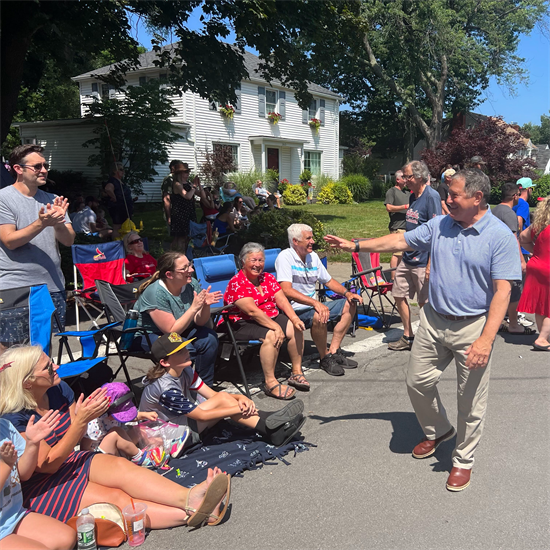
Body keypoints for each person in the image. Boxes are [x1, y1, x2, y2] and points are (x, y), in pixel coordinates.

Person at [325, 168, 521, 491]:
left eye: (454, 195)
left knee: (470, 401)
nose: (447, 200)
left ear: (477, 197)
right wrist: (355, 244)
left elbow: (503, 291)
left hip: (472, 327)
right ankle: (439, 429)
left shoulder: (499, 236)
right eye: (447, 194)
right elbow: (401, 238)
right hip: (433, 319)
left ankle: (463, 460)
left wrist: (486, 339)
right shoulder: (441, 225)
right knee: (416, 382)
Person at [0, 345, 231, 529]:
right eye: (48, 368)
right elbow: (46, 465)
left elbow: (78, 440)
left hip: (71, 460)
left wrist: (86, 424)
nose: (57, 366)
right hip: (41, 485)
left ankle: (189, 496)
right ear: (27, 382)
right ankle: (192, 514)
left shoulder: (58, 390)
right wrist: (81, 421)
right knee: (117, 498)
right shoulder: (16, 416)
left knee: (122, 468)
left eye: (51, 361)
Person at [140, 333, 306, 446]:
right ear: (165, 362)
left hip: (181, 423)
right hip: (167, 437)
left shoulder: (185, 370)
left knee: (224, 398)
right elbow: (202, 415)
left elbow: (213, 395)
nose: (186, 352)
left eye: (184, 347)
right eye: (179, 351)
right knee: (224, 402)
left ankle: (270, 425)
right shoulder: (165, 388)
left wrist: (240, 399)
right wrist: (235, 407)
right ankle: (269, 424)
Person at [0, 145, 75, 349]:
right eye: (37, 166)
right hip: (17, 288)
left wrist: (58, 222)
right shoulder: (3, 198)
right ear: (18, 169)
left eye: (45, 165)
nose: (44, 170)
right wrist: (41, 223)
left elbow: (68, 241)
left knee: (43, 354)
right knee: (12, 355)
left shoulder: (53, 200)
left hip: (52, 287)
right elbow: (9, 240)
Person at [276, 224, 362, 379]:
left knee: (351, 303)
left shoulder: (313, 257)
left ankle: (334, 351)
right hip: (294, 311)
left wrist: (347, 293)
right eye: (308, 238)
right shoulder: (285, 257)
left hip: (312, 306)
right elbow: (286, 290)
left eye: (312, 237)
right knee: (319, 313)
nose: (312, 241)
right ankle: (324, 358)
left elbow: (328, 281)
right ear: (295, 241)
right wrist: (315, 303)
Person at [223, 243, 307, 400]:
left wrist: (295, 318)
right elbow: (252, 311)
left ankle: (296, 372)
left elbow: (281, 300)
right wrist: (276, 327)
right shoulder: (237, 283)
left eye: (261, 260)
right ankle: (270, 382)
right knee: (272, 335)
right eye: (253, 260)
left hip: (269, 316)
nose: (258, 264)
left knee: (296, 328)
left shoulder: (267, 277)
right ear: (243, 261)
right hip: (243, 322)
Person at [134, 251, 221, 386]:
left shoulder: (191, 283)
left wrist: (205, 306)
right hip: (151, 334)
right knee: (183, 348)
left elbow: (200, 321)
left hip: (183, 329)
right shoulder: (155, 293)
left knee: (209, 339)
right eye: (184, 268)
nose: (191, 270)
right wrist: (193, 308)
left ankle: (203, 388)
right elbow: (171, 331)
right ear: (169, 275)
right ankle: (179, 388)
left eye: (190, 265)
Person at [0, 411, 77, 550]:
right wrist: (5, 465)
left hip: (12, 515)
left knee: (66, 538)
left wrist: (32, 443)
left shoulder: (4, 426)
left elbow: (23, 474)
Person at [387, 160, 442, 352]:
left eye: (408, 176)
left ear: (419, 176)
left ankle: (428, 339)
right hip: (408, 257)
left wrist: (430, 264)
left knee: (423, 302)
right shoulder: (412, 197)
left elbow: (437, 231)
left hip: (423, 260)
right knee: (398, 294)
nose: (404, 180)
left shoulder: (431, 196)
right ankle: (408, 336)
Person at [80, 381, 171, 467]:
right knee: (115, 433)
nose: (124, 417)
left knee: (139, 430)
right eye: (121, 415)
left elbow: (130, 417)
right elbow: (84, 448)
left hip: (118, 449)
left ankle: (164, 445)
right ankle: (139, 458)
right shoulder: (93, 424)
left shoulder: (113, 414)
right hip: (103, 457)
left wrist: (144, 415)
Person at [492, 183, 533, 335]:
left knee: (497, 289)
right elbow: (513, 238)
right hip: (507, 258)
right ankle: (513, 323)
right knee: (515, 289)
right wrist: (521, 260)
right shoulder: (508, 214)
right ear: (514, 196)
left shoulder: (494, 210)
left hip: (495, 257)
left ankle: (499, 319)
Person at [518, 196, 550, 351]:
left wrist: (536, 251)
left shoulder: (539, 225)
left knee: (541, 304)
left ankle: (543, 336)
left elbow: (522, 238)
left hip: (536, 265)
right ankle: (542, 339)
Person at [384, 170, 410, 278]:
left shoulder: (407, 193)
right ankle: (393, 277)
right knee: (397, 253)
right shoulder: (392, 191)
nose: (406, 179)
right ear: (398, 179)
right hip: (397, 227)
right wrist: (404, 207)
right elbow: (389, 207)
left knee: (404, 254)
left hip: (407, 227)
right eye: (404, 177)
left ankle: (400, 275)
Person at [170, 167, 198, 252]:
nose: (188, 174)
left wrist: (197, 185)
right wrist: (194, 186)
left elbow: (199, 194)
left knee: (187, 236)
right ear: (180, 173)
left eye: (188, 172)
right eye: (185, 172)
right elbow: (187, 196)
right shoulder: (177, 184)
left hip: (189, 212)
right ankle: (175, 255)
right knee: (180, 237)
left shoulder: (189, 183)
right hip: (180, 213)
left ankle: (184, 254)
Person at [102, 162, 133, 238]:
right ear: (115, 171)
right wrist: (114, 197)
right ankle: (116, 243)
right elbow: (108, 189)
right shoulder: (113, 181)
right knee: (117, 226)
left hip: (124, 207)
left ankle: (124, 241)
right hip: (118, 208)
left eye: (123, 170)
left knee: (125, 225)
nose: (123, 172)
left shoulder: (120, 181)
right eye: (121, 169)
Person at [514, 177, 536, 259]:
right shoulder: (524, 204)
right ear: (528, 189)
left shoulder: (513, 201)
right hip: (522, 248)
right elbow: (519, 220)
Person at [162, 160, 185, 229]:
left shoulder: (180, 179)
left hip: (182, 212)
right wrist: (169, 216)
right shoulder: (169, 180)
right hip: (174, 212)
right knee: (177, 237)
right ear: (173, 168)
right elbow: (166, 198)